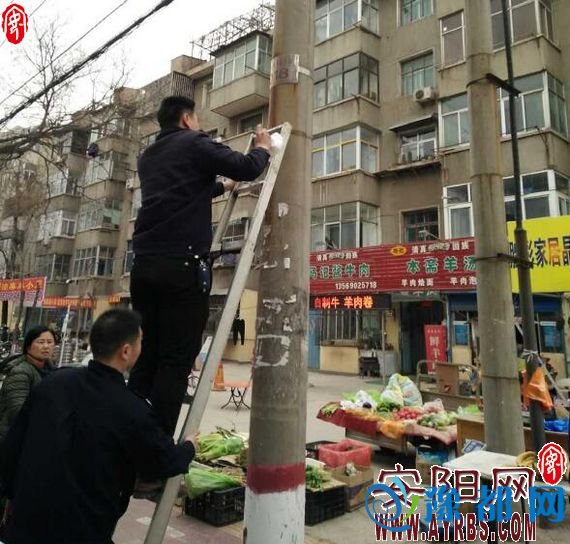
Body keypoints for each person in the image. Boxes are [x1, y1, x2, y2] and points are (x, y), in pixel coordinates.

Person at [129, 96, 271, 439]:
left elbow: (183, 191)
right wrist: (263, 147)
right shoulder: (194, 142)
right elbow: (247, 167)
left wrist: (223, 187)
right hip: (181, 267)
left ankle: (128, 439)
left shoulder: (149, 156)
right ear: (186, 119)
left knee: (147, 356)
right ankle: (157, 452)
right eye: (197, 119)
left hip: (144, 266)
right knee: (176, 360)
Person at [0, 309, 197, 544]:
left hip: (26, 524)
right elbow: (164, 461)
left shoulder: (53, 383)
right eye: (140, 342)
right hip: (82, 530)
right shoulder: (132, 408)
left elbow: (13, 446)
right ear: (126, 351)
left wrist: (10, 497)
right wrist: (189, 446)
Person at [0, 326, 56, 447]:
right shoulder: (20, 372)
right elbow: (18, 411)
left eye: (50, 342)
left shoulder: (51, 370)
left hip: (33, 436)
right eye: (40, 342)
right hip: (14, 439)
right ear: (28, 346)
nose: (46, 346)